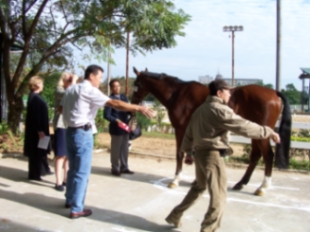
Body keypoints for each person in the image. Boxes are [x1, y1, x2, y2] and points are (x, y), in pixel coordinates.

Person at [165, 79, 281, 232]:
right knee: (219, 196)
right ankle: (208, 229)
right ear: (219, 93)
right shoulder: (221, 110)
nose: (230, 94)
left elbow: (188, 133)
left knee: (198, 188)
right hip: (212, 157)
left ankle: (175, 215)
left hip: (199, 155)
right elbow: (243, 126)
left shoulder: (200, 110)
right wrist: (268, 131)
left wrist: (187, 152)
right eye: (228, 91)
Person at [60, 64, 153, 219]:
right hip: (82, 133)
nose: (101, 81)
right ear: (91, 76)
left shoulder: (70, 89)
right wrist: (139, 108)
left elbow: (60, 109)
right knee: (82, 172)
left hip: (70, 131)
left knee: (73, 169)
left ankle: (69, 200)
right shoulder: (89, 90)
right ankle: (77, 208)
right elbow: (114, 103)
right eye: (100, 77)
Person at [24, 76, 53, 181]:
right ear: (36, 85)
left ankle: (43, 169)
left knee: (41, 150)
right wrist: (39, 130)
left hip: (39, 128)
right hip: (38, 130)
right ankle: (36, 173)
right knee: (37, 152)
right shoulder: (35, 98)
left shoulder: (34, 97)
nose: (42, 85)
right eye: (41, 83)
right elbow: (35, 115)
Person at [53, 72, 78, 191]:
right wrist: (73, 83)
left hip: (70, 124)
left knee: (68, 155)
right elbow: (68, 94)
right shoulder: (59, 90)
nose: (70, 82)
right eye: (68, 80)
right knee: (60, 155)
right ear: (63, 80)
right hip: (61, 124)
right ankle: (58, 181)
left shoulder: (72, 89)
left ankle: (66, 179)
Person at [104, 79, 133, 176]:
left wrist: (132, 111)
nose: (117, 88)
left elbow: (127, 110)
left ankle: (124, 167)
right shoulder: (110, 100)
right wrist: (116, 120)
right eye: (114, 86)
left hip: (125, 126)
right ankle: (115, 168)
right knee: (116, 149)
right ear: (111, 88)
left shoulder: (124, 97)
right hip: (116, 128)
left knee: (125, 148)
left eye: (118, 86)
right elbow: (107, 115)